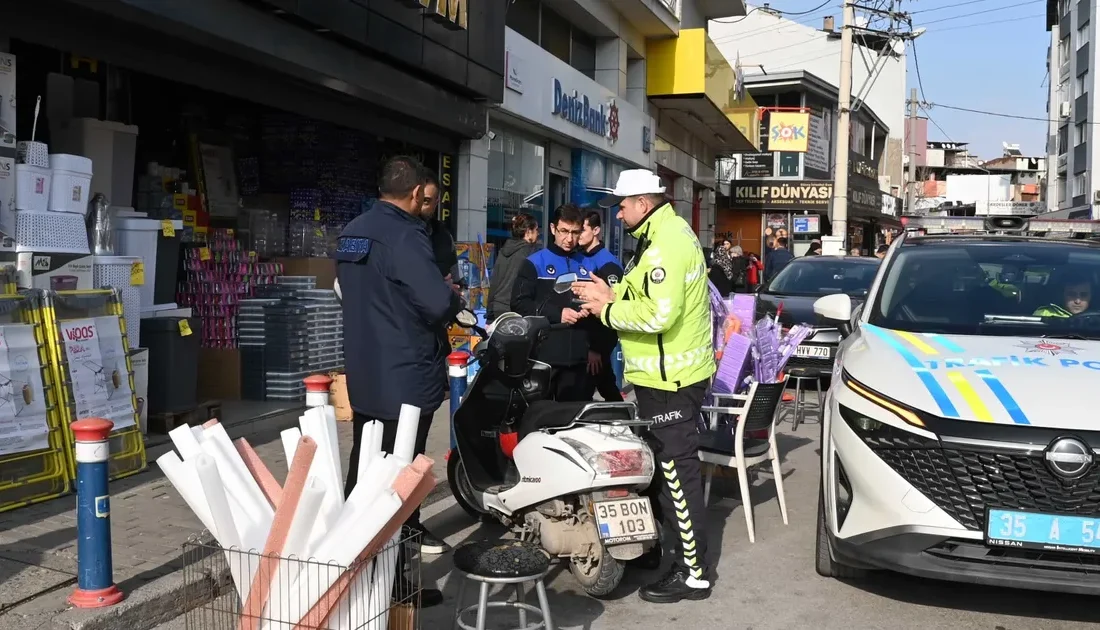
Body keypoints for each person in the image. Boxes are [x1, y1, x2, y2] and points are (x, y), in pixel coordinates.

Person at [572, 169, 717, 604]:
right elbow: (644, 296)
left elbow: (658, 316)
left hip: (671, 379)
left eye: (622, 204)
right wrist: (612, 292)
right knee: (662, 470)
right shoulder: (658, 235)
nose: (617, 213)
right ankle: (670, 550)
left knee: (677, 472)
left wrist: (605, 310)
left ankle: (694, 573)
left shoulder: (667, 243)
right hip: (662, 376)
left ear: (643, 203)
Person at [335, 156, 462, 606]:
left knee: (363, 473)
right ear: (414, 195)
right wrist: (451, 297)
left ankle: (354, 577)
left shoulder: (353, 230)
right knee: (401, 484)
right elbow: (434, 302)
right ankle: (393, 589)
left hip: (366, 373)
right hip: (406, 375)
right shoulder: (406, 234)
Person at [511, 204, 593, 401]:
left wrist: (597, 346)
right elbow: (519, 303)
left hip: (579, 361)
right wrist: (558, 314)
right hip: (543, 359)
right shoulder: (534, 262)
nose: (569, 239)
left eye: (575, 232)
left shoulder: (588, 264)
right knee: (540, 422)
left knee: (574, 425)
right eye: (564, 231)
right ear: (552, 228)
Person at [578, 210, 625, 402]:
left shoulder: (608, 264)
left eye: (582, 230)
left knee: (603, 392)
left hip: (595, 346)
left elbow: (613, 308)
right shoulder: (578, 257)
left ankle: (629, 427)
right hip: (580, 342)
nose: (577, 235)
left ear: (596, 230)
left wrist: (597, 348)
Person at [487, 214, 541, 322]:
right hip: (516, 309)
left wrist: (489, 313)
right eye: (535, 230)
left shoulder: (503, 250)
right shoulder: (530, 253)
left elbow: (495, 282)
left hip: (498, 308)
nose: (538, 233)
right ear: (528, 232)